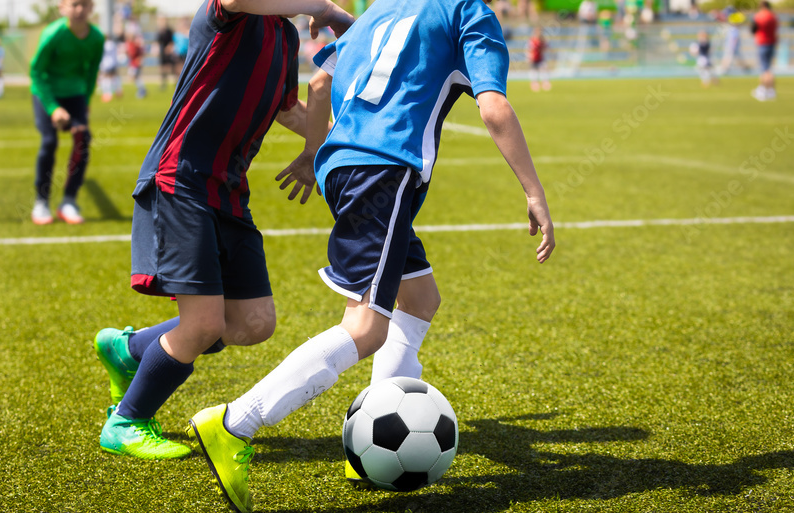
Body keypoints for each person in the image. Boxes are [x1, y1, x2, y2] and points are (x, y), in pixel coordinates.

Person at [186, 0, 555, 510]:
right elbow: (493, 107)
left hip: (344, 166)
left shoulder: (383, 9)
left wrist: (315, 154)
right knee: (365, 327)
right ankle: (233, 423)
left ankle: (364, 449)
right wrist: (534, 192)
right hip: (387, 169)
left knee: (420, 298)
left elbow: (319, 85)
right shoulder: (469, 12)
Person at [92, 0, 354, 461]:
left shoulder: (285, 37)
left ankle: (128, 349)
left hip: (230, 190)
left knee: (252, 323)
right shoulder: (230, 13)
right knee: (205, 324)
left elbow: (285, 109)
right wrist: (324, 8)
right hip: (182, 180)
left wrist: (335, 140)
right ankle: (126, 421)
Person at [28, 0, 104, 225]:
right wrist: (53, 108)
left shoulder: (97, 38)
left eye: (85, 4)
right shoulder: (53, 34)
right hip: (46, 93)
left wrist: (86, 101)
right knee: (49, 142)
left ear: (92, 8)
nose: (79, 10)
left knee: (83, 138)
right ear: (62, 7)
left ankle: (69, 200)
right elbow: (36, 71)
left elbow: (91, 74)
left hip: (75, 95)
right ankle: (41, 201)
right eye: (74, 4)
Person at [751, 0, 778, 101]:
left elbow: (753, 29)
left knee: (764, 69)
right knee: (768, 68)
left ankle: (762, 90)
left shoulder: (759, 16)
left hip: (762, 43)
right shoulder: (773, 16)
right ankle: (771, 91)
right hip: (771, 43)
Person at [717, 7, 749, 76]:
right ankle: (745, 67)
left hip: (732, 46)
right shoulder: (732, 28)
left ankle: (724, 68)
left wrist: (732, 46)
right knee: (735, 57)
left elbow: (734, 39)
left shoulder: (733, 29)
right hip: (732, 46)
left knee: (728, 57)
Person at [155, 16, 179, 90]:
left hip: (169, 51)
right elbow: (157, 42)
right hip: (162, 52)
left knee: (173, 67)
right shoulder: (159, 31)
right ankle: (163, 83)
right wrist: (157, 50)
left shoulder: (169, 31)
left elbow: (173, 41)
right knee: (162, 68)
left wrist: (169, 48)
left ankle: (177, 82)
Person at [99, 32, 123, 102]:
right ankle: (118, 90)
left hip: (106, 64)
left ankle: (108, 94)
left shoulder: (105, 45)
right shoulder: (113, 44)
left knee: (106, 78)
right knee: (114, 77)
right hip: (113, 63)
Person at [124, 31, 147, 98]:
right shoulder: (134, 44)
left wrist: (127, 53)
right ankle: (142, 90)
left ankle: (142, 90)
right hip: (135, 63)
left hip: (135, 64)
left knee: (134, 77)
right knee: (135, 78)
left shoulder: (133, 45)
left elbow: (132, 54)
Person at [527, 26, 551, 91]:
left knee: (543, 70)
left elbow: (546, 47)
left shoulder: (543, 40)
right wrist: (530, 56)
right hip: (534, 58)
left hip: (540, 58)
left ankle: (545, 83)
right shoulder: (532, 40)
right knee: (534, 72)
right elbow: (529, 49)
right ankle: (534, 84)